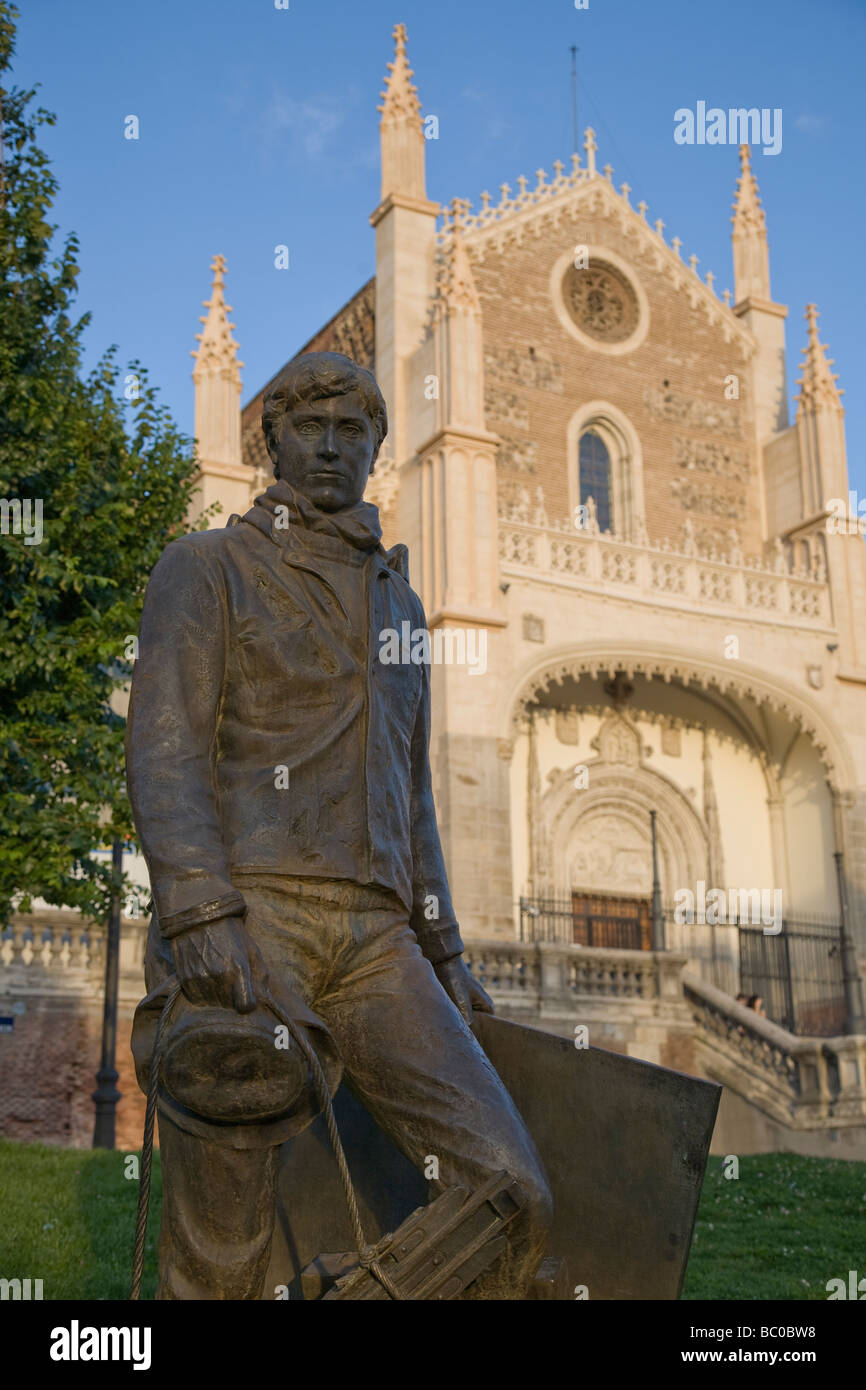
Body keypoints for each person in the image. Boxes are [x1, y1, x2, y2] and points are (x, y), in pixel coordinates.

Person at [127, 351, 552, 1299]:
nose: (330, 446)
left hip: (378, 940)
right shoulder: (206, 567)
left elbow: (414, 788)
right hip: (251, 915)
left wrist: (443, 948)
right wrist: (199, 912)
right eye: (310, 428)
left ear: (376, 449)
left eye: (352, 431)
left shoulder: (401, 603)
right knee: (222, 1247)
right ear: (270, 440)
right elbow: (165, 750)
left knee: (509, 1191)